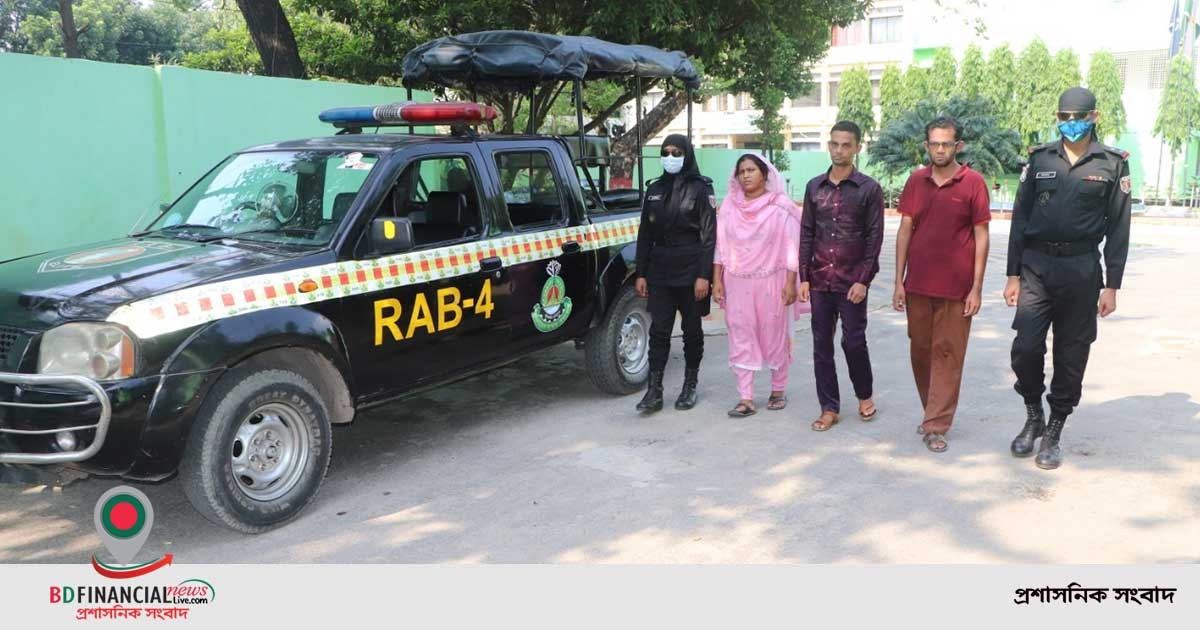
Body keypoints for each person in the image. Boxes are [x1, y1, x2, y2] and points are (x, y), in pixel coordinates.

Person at [1004, 86, 1131, 469]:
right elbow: (1020, 218)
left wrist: (1112, 285)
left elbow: (1120, 227)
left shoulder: (1112, 163)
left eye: (1078, 117)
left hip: (1081, 270)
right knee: (1026, 347)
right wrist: (1012, 274)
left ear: (1094, 117)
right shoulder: (1040, 159)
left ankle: (1055, 428)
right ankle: (1033, 415)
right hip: (1036, 266)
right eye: (1064, 117)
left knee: (1071, 353)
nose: (1070, 124)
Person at [892, 117, 992, 453]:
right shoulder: (915, 182)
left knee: (947, 355)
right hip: (918, 285)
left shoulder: (973, 183)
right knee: (920, 352)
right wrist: (898, 282)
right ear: (926, 145)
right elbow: (905, 230)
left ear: (957, 146)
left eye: (946, 144)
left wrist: (976, 287)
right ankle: (931, 411)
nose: (939, 149)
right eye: (934, 143)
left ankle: (936, 424)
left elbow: (981, 235)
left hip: (956, 290)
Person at [798, 121, 884, 432]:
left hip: (852, 281)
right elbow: (807, 233)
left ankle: (864, 394)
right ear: (829, 145)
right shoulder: (814, 187)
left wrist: (864, 280)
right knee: (821, 344)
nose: (839, 150)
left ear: (858, 148)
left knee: (854, 341)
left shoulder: (869, 189)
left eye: (846, 145)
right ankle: (829, 407)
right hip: (820, 278)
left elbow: (874, 238)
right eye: (834, 144)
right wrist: (803, 277)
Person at [712, 153, 802, 417]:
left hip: (772, 280)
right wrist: (717, 280)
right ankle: (746, 397)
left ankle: (777, 388)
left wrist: (790, 283)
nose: (746, 175)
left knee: (774, 333)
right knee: (740, 333)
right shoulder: (730, 206)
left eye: (751, 170)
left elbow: (791, 248)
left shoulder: (780, 207)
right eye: (741, 171)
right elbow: (720, 245)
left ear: (765, 173)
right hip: (737, 281)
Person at [633, 134, 717, 413]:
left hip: (692, 270)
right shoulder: (655, 189)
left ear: (687, 154)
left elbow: (708, 237)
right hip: (659, 269)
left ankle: (689, 386)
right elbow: (645, 234)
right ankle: (654, 391)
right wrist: (641, 272)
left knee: (691, 329)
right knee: (659, 329)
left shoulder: (701, 188)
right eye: (666, 152)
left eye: (676, 152)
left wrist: (704, 275)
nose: (670, 157)